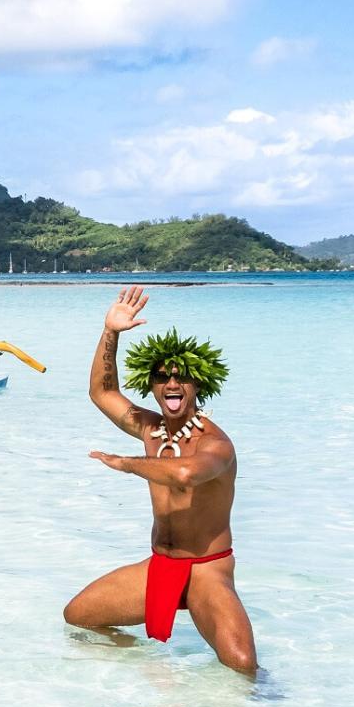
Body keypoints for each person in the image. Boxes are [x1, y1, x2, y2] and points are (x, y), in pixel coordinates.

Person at [64, 285, 256, 673]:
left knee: (242, 665)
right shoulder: (151, 430)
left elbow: (185, 472)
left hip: (206, 568)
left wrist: (127, 462)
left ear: (198, 384)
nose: (172, 384)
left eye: (182, 378)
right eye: (162, 378)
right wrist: (111, 332)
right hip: (160, 565)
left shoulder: (216, 444)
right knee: (79, 617)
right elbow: (101, 391)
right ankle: (153, 667)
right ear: (150, 385)